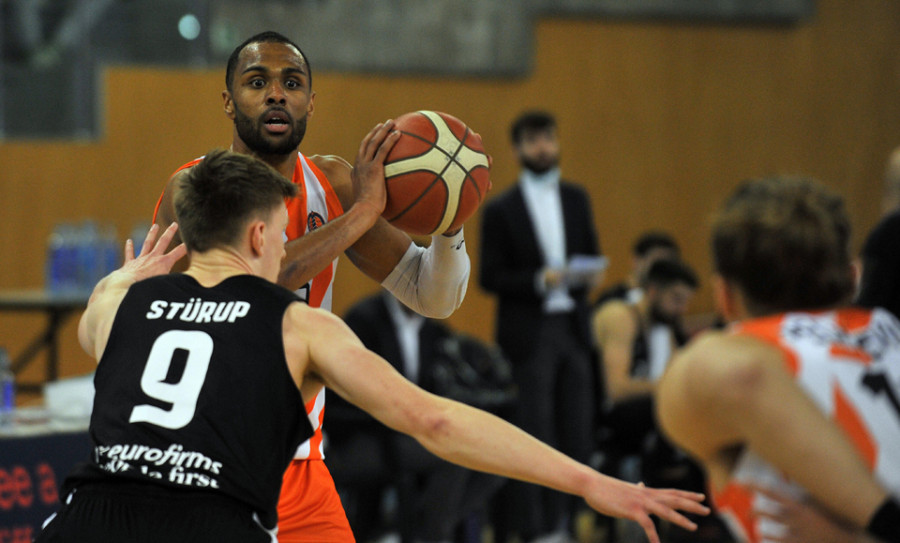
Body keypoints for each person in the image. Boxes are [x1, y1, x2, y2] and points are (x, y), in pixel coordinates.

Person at [38, 149, 710, 543]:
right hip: (206, 524)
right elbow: (437, 420)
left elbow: (95, 322)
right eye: (278, 232)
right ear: (255, 239)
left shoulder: (117, 304)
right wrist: (590, 479)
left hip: (83, 518)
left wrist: (125, 275)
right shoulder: (297, 325)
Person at [151, 31, 473, 542]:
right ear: (229, 101)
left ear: (310, 103)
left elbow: (431, 295)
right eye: (258, 82)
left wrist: (450, 221)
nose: (277, 94)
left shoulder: (333, 185)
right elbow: (252, 281)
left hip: (301, 463)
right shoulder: (194, 187)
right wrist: (363, 213)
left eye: (292, 82)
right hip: (203, 460)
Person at [656, 176, 900, 543]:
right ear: (854, 279)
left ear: (723, 297)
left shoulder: (738, 356)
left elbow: (740, 377)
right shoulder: (890, 328)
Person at [478, 110, 605, 541]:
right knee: (536, 431)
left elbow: (589, 251)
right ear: (517, 149)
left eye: (548, 138)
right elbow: (488, 278)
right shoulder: (500, 209)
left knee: (577, 428)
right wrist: (538, 279)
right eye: (533, 141)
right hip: (529, 333)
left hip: (572, 324)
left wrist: (587, 275)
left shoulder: (576, 197)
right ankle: (535, 530)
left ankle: (569, 524)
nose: (543, 147)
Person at [329, 291, 507, 543]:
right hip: (362, 436)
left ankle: (411, 531)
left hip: (412, 434)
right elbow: (346, 394)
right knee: (454, 457)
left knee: (492, 462)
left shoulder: (435, 330)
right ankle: (426, 536)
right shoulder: (363, 320)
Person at [595, 230, 681, 308]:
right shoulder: (611, 300)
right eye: (657, 262)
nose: (663, 270)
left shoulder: (665, 305)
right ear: (635, 260)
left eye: (669, 264)